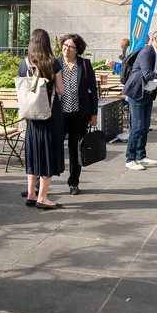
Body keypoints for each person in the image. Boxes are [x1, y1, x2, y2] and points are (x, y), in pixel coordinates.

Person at [18, 29, 65, 209]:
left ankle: (31, 194)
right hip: (50, 116)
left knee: (34, 153)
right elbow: (61, 90)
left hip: (32, 117)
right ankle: (43, 197)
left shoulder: (24, 64)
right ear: (46, 43)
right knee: (48, 154)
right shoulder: (52, 63)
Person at [121, 30, 157, 170]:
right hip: (137, 92)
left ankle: (141, 155)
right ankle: (130, 158)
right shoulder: (147, 52)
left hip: (149, 93)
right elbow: (148, 74)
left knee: (145, 127)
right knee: (137, 127)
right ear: (155, 39)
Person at [56, 34, 98, 195]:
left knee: (75, 149)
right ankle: (42, 181)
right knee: (54, 147)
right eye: (65, 46)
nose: (67, 49)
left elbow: (93, 91)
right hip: (58, 114)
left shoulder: (84, 65)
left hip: (79, 114)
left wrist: (93, 114)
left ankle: (73, 183)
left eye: (71, 47)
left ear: (78, 49)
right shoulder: (56, 63)